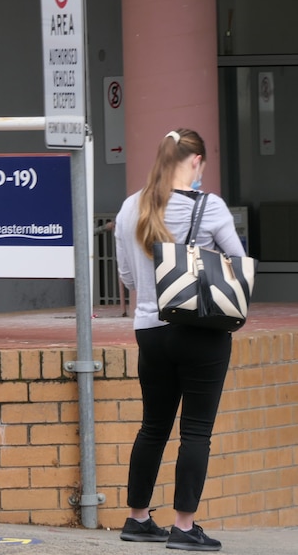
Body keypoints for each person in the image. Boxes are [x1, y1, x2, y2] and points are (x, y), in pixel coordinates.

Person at [114, 128, 245, 551]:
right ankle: (184, 527)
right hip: (199, 332)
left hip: (150, 330)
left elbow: (128, 278)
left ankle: (137, 519)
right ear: (196, 161)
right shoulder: (209, 208)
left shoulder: (130, 206)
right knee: (196, 431)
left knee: (153, 426)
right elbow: (238, 264)